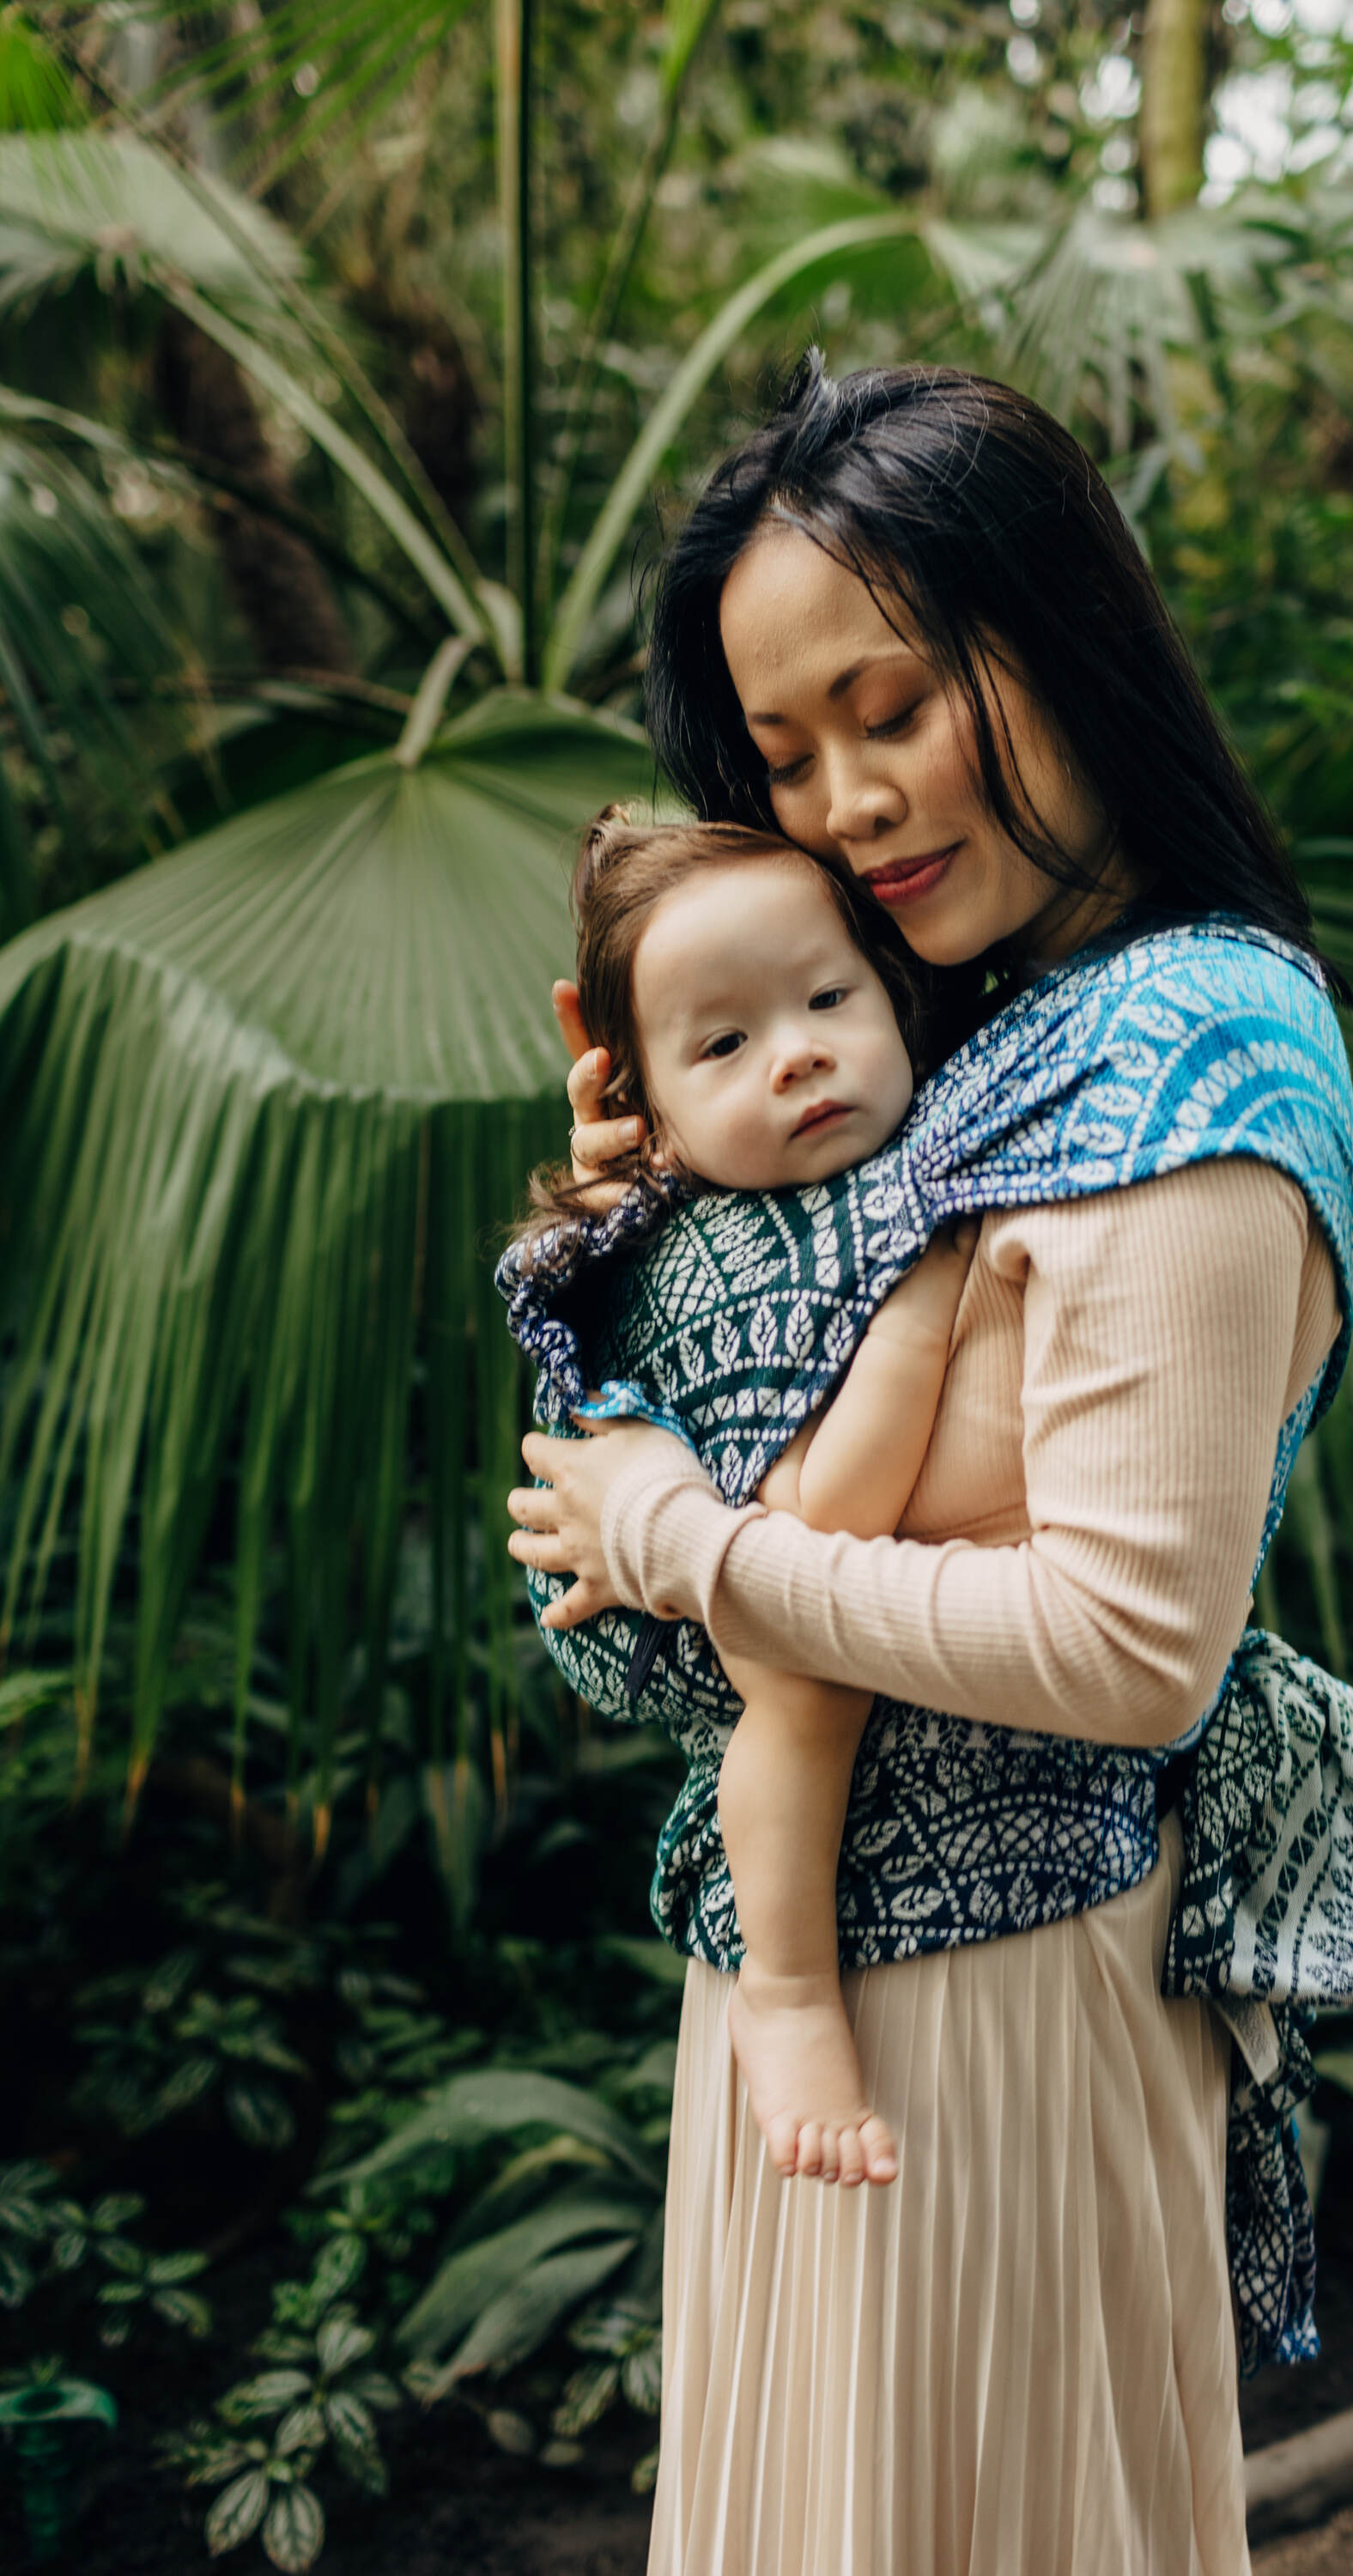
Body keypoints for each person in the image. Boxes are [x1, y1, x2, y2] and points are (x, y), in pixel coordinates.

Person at [506, 358, 1353, 2576]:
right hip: (804, 1997)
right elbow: (615, 1620)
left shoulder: (1193, 1058)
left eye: (889, 709)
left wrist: (685, 1542)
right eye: (784, 754)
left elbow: (1129, 1647)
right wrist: (643, 1224)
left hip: (992, 2013)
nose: (847, 803)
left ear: (1051, 635)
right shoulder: (948, 1039)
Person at [513, 804, 979, 2190]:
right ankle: (787, 1987)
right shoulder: (716, 1244)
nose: (798, 1054)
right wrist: (923, 1311)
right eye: (725, 1045)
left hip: (707, 1551)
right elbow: (824, 1525)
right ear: (650, 1114)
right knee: (807, 1680)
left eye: (828, 999)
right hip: (662, 1568)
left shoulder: (901, 1164)